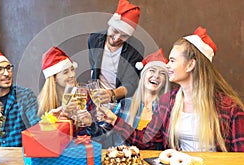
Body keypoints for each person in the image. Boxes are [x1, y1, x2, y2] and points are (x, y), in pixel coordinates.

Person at [99, 26, 244, 152]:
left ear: (190, 65)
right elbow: (146, 141)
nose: (167, 65)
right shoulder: (167, 102)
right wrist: (114, 119)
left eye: (173, 60)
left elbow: (239, 159)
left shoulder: (230, 109)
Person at [87, 48, 170, 148]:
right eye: (152, 70)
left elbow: (149, 142)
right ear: (142, 76)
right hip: (122, 161)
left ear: (166, 81)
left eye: (162, 73)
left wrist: (115, 120)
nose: (156, 76)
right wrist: (90, 123)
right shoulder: (124, 104)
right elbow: (102, 137)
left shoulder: (165, 110)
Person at [0, 46, 41, 148]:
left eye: (8, 68)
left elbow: (37, 126)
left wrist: (47, 122)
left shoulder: (25, 96)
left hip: (19, 160)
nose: (6, 73)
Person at [88, 0, 144, 105]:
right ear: (110, 25)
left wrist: (111, 94)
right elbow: (93, 68)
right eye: (115, 31)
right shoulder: (94, 39)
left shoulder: (136, 48)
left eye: (124, 36)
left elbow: (130, 84)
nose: (117, 38)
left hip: (121, 104)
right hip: (97, 102)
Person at [37, 47, 93, 132]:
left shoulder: (83, 95)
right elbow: (41, 136)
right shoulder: (43, 104)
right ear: (54, 78)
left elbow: (99, 132)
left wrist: (90, 124)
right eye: (66, 72)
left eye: (72, 70)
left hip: (84, 144)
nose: (72, 75)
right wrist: (55, 121)